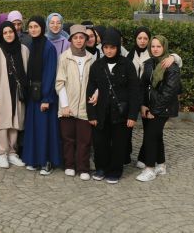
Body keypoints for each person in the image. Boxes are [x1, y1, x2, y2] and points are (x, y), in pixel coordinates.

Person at [86, 28, 140, 184]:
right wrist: (92, 115)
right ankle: (101, 167)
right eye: (106, 47)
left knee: (118, 143)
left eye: (112, 47)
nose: (109, 51)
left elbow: (134, 91)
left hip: (121, 114)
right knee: (100, 143)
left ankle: (115, 170)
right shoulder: (97, 65)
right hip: (101, 112)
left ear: (117, 47)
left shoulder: (127, 65)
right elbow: (90, 90)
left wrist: (132, 115)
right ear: (102, 47)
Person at [136, 35, 181, 182]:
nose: (155, 49)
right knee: (156, 136)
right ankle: (161, 165)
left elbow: (169, 92)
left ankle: (149, 169)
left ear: (164, 47)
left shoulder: (171, 65)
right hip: (148, 107)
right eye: (153, 46)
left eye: (159, 46)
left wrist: (154, 111)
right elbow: (143, 86)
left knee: (150, 136)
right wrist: (143, 105)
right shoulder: (148, 63)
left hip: (162, 108)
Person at [22, 16, 61, 175]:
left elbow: (50, 74)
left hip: (45, 96)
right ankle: (34, 160)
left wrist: (46, 98)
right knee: (33, 129)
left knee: (45, 130)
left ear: (42, 28)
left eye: (36, 26)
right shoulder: (31, 45)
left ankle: (46, 161)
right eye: (30, 27)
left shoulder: (48, 48)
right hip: (33, 94)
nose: (33, 29)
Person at [55, 24, 96, 181]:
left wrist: (96, 94)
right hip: (68, 106)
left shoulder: (91, 58)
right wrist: (64, 105)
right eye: (76, 38)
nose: (79, 40)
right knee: (68, 138)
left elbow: (96, 82)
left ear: (86, 40)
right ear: (71, 40)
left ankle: (83, 167)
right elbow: (60, 82)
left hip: (85, 107)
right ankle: (70, 165)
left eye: (82, 37)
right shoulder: (64, 57)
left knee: (84, 140)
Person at [0, 21, 29, 169]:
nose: (8, 35)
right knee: (2, 124)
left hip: (18, 92)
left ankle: (12, 153)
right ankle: (2, 154)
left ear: (15, 32)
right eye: (5, 33)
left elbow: (26, 70)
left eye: (10, 32)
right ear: (1, 34)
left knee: (15, 122)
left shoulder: (23, 49)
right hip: (2, 92)